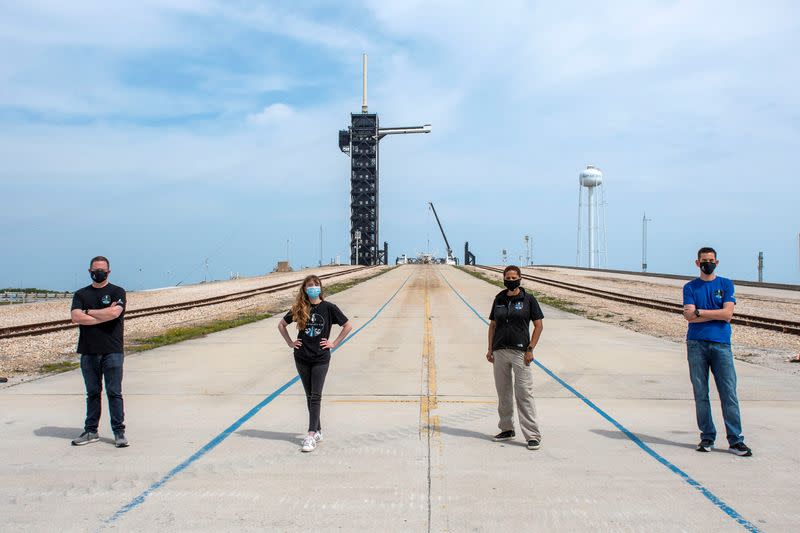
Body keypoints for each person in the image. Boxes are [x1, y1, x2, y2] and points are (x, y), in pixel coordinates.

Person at [682, 247, 752, 456]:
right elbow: (688, 316)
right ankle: (707, 436)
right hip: (696, 344)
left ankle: (736, 440)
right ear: (697, 263)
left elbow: (728, 314)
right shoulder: (690, 287)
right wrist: (715, 313)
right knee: (701, 393)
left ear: (717, 262)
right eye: (704, 260)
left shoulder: (725, 284)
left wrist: (700, 312)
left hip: (721, 344)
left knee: (728, 393)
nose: (708, 263)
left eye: (711, 260)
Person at [278, 275, 352, 452]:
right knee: (309, 395)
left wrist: (333, 343)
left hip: (320, 357)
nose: (313, 288)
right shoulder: (299, 308)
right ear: (304, 289)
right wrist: (290, 343)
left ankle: (310, 435)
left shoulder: (329, 308)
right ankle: (317, 430)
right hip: (301, 356)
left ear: (320, 288)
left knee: (316, 395)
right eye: (309, 285)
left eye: (316, 285)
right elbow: (281, 325)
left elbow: (347, 325)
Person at [69, 256, 128, 448]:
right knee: (93, 393)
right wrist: (101, 314)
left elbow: (114, 313)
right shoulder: (81, 294)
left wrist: (87, 312)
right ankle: (91, 431)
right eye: (95, 269)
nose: (98, 272)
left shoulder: (117, 292)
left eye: (102, 269)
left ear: (108, 272)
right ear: (89, 271)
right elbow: (75, 317)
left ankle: (119, 432)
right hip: (88, 352)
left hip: (112, 351)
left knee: (114, 393)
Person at [486, 265, 544, 450]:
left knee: (524, 394)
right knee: (503, 393)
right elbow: (493, 325)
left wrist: (530, 349)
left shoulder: (528, 300)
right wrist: (490, 349)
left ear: (520, 278)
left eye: (513, 278)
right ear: (503, 278)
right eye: (507, 278)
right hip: (500, 351)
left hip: (521, 353)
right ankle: (507, 429)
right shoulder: (499, 299)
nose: (510, 281)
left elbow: (538, 326)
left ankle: (532, 435)